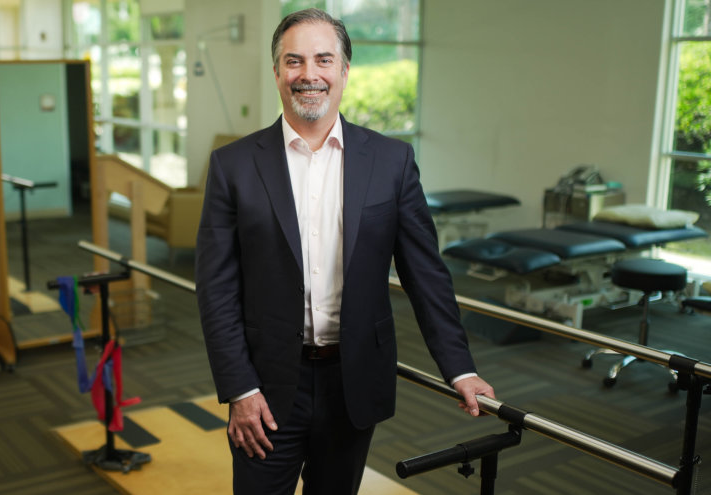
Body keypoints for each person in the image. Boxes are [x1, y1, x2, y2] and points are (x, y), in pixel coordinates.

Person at [195, 8, 494, 495]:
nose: (308, 74)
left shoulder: (392, 162)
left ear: (345, 70)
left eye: (323, 59)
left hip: (352, 382)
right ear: (276, 73)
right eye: (293, 61)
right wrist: (240, 390)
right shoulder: (233, 166)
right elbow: (216, 289)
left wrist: (460, 367)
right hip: (265, 389)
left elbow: (426, 275)